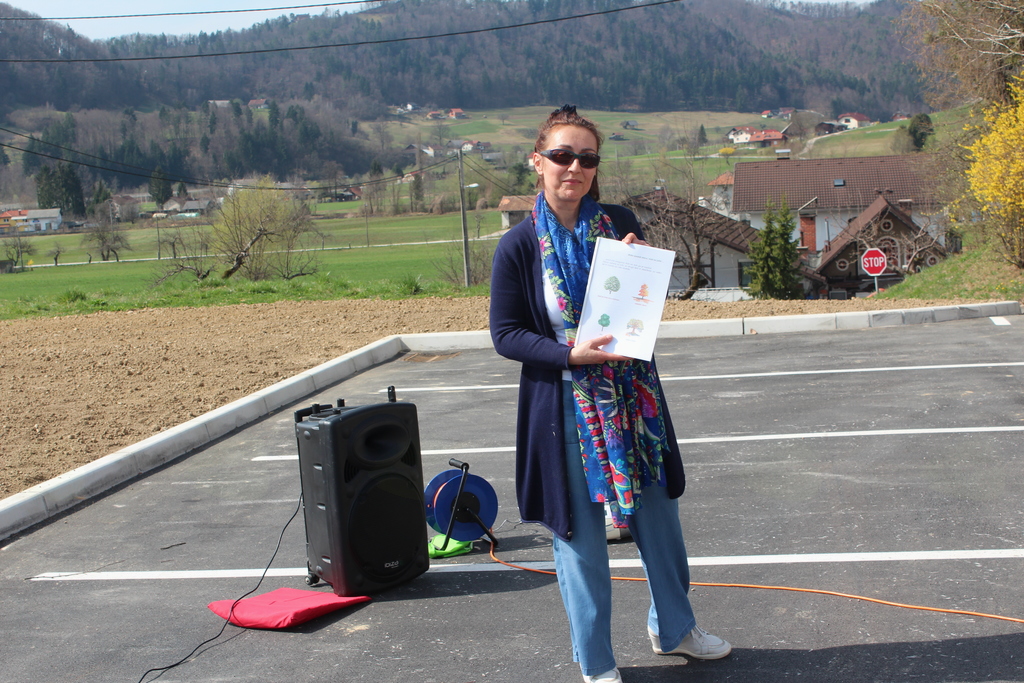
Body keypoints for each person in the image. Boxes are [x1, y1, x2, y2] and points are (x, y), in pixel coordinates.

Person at [489, 105, 731, 683]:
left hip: (633, 399)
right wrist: (569, 355)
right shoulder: (519, 246)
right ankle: (596, 662)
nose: (574, 167)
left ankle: (675, 628)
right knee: (580, 539)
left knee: (660, 520)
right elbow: (506, 334)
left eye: (587, 158)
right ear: (538, 162)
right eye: (562, 155)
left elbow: (638, 306)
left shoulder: (618, 221)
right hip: (566, 404)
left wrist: (638, 268)